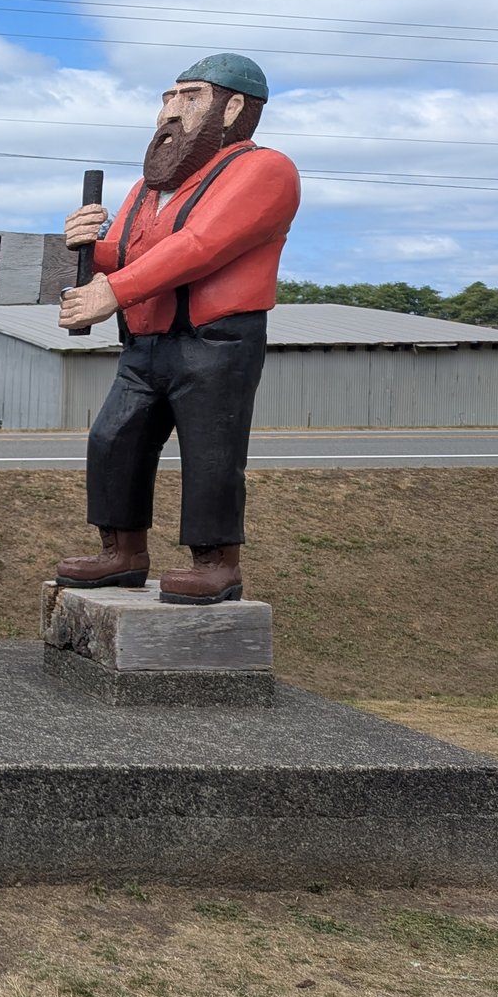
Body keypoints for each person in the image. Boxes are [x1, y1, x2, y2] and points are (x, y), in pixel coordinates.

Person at [53, 53, 301, 604]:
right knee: (114, 439)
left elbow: (201, 247)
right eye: (168, 98)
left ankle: (217, 563)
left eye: (189, 98)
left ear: (233, 106)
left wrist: (111, 292)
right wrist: (85, 246)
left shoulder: (265, 170)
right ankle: (122, 552)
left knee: (211, 449)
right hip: (146, 340)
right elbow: (122, 251)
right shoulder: (149, 186)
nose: (170, 110)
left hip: (215, 340)